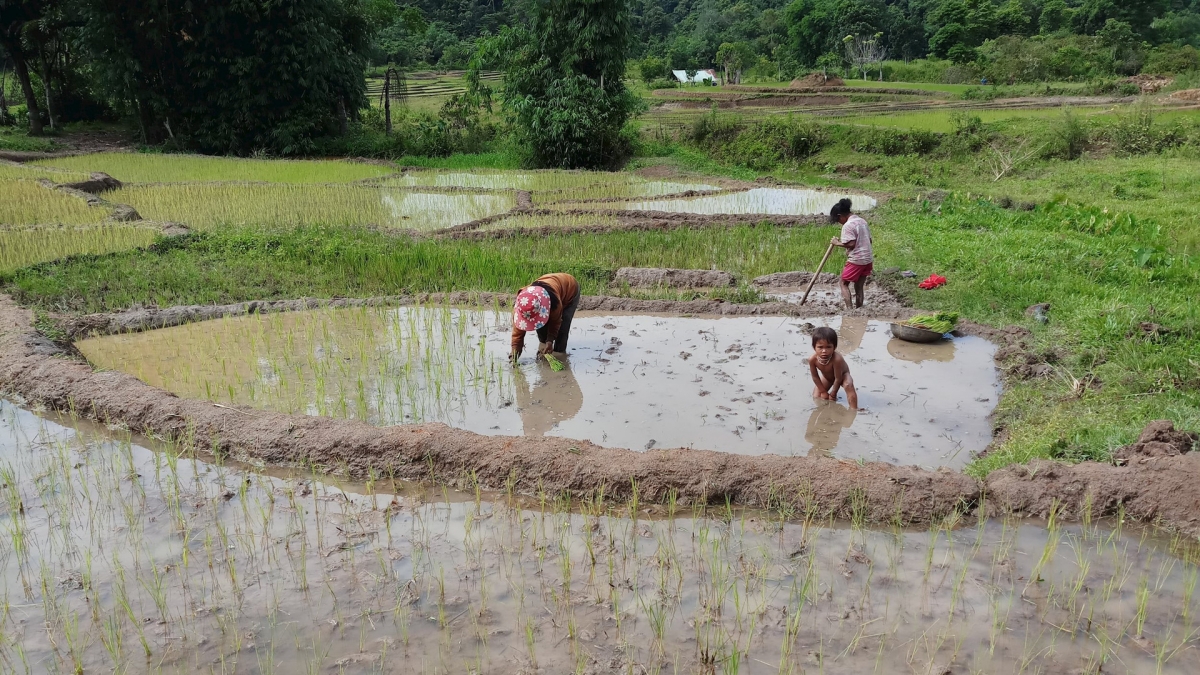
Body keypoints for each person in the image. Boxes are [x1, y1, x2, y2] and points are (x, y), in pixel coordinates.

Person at [510, 273, 580, 362]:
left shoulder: (555, 303)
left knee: (562, 330)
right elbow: (517, 334)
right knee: (541, 329)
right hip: (550, 283)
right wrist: (514, 353)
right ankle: (544, 353)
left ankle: (561, 357)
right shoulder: (521, 306)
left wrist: (550, 340)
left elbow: (556, 322)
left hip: (570, 289)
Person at [828, 198, 873, 309]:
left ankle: (849, 310)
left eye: (838, 220)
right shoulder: (862, 221)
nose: (839, 222)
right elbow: (869, 241)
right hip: (868, 259)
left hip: (857, 260)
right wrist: (850, 249)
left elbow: (852, 243)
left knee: (843, 283)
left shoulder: (848, 225)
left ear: (840, 216)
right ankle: (859, 309)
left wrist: (836, 243)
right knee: (859, 287)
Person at [808, 326, 858, 409]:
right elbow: (815, 377)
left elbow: (838, 378)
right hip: (827, 377)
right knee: (816, 396)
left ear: (834, 347)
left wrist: (833, 393)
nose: (824, 351)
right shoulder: (812, 359)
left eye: (828, 347)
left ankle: (854, 409)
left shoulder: (837, 359)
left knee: (848, 384)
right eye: (820, 347)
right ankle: (825, 412)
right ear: (814, 347)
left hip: (842, 376)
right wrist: (823, 391)